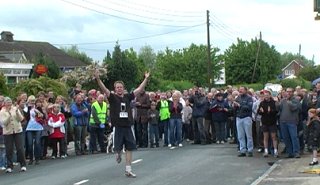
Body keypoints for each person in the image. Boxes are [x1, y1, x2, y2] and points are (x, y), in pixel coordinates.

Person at [95, 70, 150, 178]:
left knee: (130, 148)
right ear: (115, 89)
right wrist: (98, 78)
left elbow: (139, 89)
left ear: (123, 88)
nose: (119, 89)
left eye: (121, 87)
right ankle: (118, 153)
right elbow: (104, 89)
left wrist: (146, 79)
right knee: (118, 147)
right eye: (117, 87)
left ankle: (128, 170)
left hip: (128, 126)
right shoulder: (112, 97)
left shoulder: (128, 97)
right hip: (118, 127)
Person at [0, 97, 27, 173]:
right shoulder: (2, 111)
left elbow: (21, 119)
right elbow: (4, 123)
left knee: (20, 148)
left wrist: (17, 112)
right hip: (8, 132)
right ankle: (9, 166)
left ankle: (23, 165)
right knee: (9, 149)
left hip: (17, 131)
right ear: (4, 103)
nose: (9, 104)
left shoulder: (15, 108)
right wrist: (8, 115)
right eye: (7, 102)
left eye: (10, 102)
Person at [279, 88, 301, 158]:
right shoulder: (283, 100)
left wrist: (289, 103)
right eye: (287, 92)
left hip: (292, 122)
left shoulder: (296, 100)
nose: (288, 93)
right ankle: (290, 152)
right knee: (286, 138)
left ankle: (296, 152)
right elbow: (279, 109)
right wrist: (277, 102)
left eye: (290, 92)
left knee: (294, 137)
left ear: (292, 92)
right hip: (283, 122)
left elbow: (295, 108)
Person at [258, 90, 279, 158]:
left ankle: (275, 150)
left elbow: (276, 112)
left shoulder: (273, 103)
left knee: (274, 137)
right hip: (265, 122)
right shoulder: (262, 103)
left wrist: (271, 111)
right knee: (265, 137)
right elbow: (259, 111)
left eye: (267, 95)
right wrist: (261, 111)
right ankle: (266, 150)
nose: (266, 97)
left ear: (270, 95)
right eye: (265, 95)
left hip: (272, 122)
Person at [234, 86, 254, 157]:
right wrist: (234, 106)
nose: (240, 91)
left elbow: (249, 107)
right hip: (239, 117)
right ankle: (242, 150)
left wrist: (240, 105)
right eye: (240, 89)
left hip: (246, 117)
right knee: (240, 135)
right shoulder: (238, 98)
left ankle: (250, 150)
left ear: (246, 90)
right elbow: (235, 108)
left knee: (248, 135)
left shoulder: (249, 98)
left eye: (242, 89)